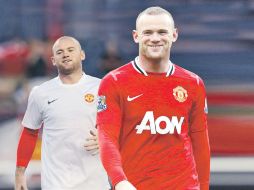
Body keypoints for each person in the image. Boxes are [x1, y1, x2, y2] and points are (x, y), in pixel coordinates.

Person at [96, 6, 210, 190]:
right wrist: (119, 181)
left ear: (174, 35)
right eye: (147, 32)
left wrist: (204, 187)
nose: (155, 38)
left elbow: (200, 141)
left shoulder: (193, 83)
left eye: (162, 32)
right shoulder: (114, 81)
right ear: (136, 36)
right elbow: (107, 137)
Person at [15, 36, 110, 190]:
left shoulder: (102, 88)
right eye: (60, 52)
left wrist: (105, 139)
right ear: (53, 60)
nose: (65, 54)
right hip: (56, 184)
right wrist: (19, 173)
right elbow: (29, 133)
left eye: (71, 50)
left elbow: (113, 126)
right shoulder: (40, 93)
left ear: (82, 55)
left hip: (95, 184)